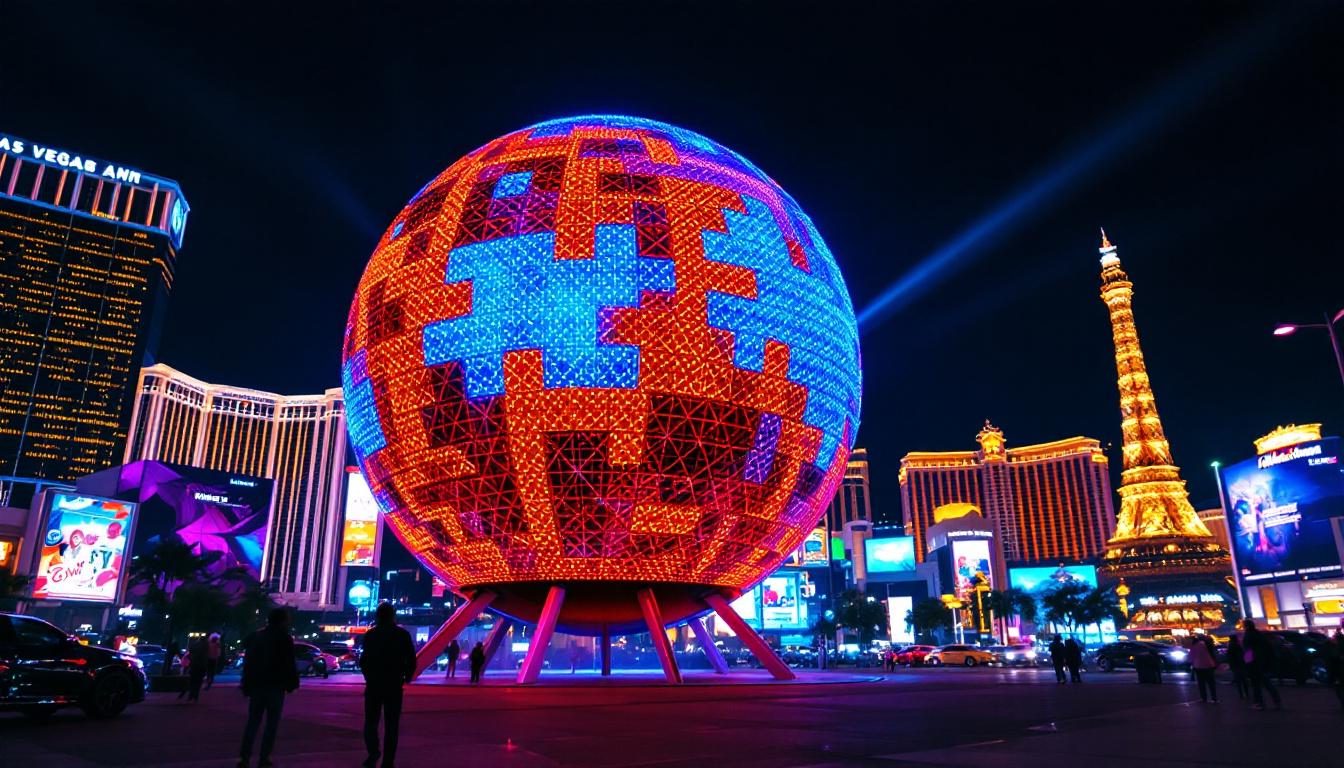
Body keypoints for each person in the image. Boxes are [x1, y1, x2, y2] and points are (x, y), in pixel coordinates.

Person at [238, 608, 300, 768]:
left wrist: (246, 684)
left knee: (253, 722)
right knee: (271, 724)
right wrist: (293, 683)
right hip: (275, 685)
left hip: (257, 685)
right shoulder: (284, 638)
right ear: (282, 621)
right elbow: (289, 663)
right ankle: (264, 757)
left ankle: (244, 758)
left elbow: (249, 662)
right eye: (287, 619)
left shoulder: (258, 636)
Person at [360, 603, 417, 768]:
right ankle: (388, 761)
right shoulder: (402, 635)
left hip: (374, 684)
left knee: (371, 722)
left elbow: (364, 660)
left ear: (377, 615)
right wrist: (407, 676)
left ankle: (373, 752)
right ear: (393, 615)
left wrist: (368, 677)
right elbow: (411, 659)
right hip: (393, 684)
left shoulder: (371, 635)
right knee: (392, 725)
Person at [1242, 619, 1281, 710]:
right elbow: (1268, 647)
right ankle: (1277, 701)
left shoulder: (1248, 636)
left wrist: (1247, 663)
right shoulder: (1259, 634)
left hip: (1254, 663)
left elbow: (1248, 651)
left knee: (1256, 684)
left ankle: (1259, 703)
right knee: (1266, 683)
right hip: (1262, 661)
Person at [1188, 635, 1218, 703]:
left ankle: (1204, 698)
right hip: (1209, 666)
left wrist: (1191, 663)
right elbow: (1212, 654)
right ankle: (1214, 698)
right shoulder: (1205, 644)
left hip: (1198, 667)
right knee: (1211, 683)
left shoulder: (1194, 646)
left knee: (1201, 684)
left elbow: (1190, 658)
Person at [185, 634, 210, 703]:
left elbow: (189, 652)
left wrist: (191, 660)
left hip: (194, 665)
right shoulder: (207, 646)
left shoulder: (196, 645)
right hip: (202, 665)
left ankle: (191, 695)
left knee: (192, 680)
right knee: (198, 681)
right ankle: (196, 696)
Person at [1226, 634, 1248, 700]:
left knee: (1239, 681)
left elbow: (1229, 657)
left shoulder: (1231, 646)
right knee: (1244, 680)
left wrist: (1231, 664)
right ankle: (1246, 693)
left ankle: (1241, 694)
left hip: (1236, 665)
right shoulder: (1240, 645)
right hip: (1241, 664)